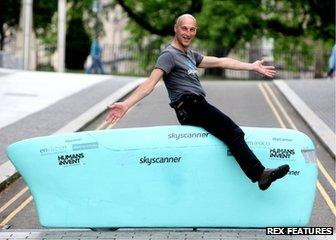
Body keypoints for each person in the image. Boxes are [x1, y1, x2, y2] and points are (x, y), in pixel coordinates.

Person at [106, 14, 290, 191]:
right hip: (189, 105)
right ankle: (260, 174)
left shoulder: (190, 55)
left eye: (192, 29)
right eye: (184, 28)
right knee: (233, 132)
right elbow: (150, 83)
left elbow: (220, 62)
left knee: (230, 134)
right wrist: (126, 104)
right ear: (176, 29)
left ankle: (259, 174)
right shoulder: (168, 55)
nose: (188, 33)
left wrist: (251, 66)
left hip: (196, 105)